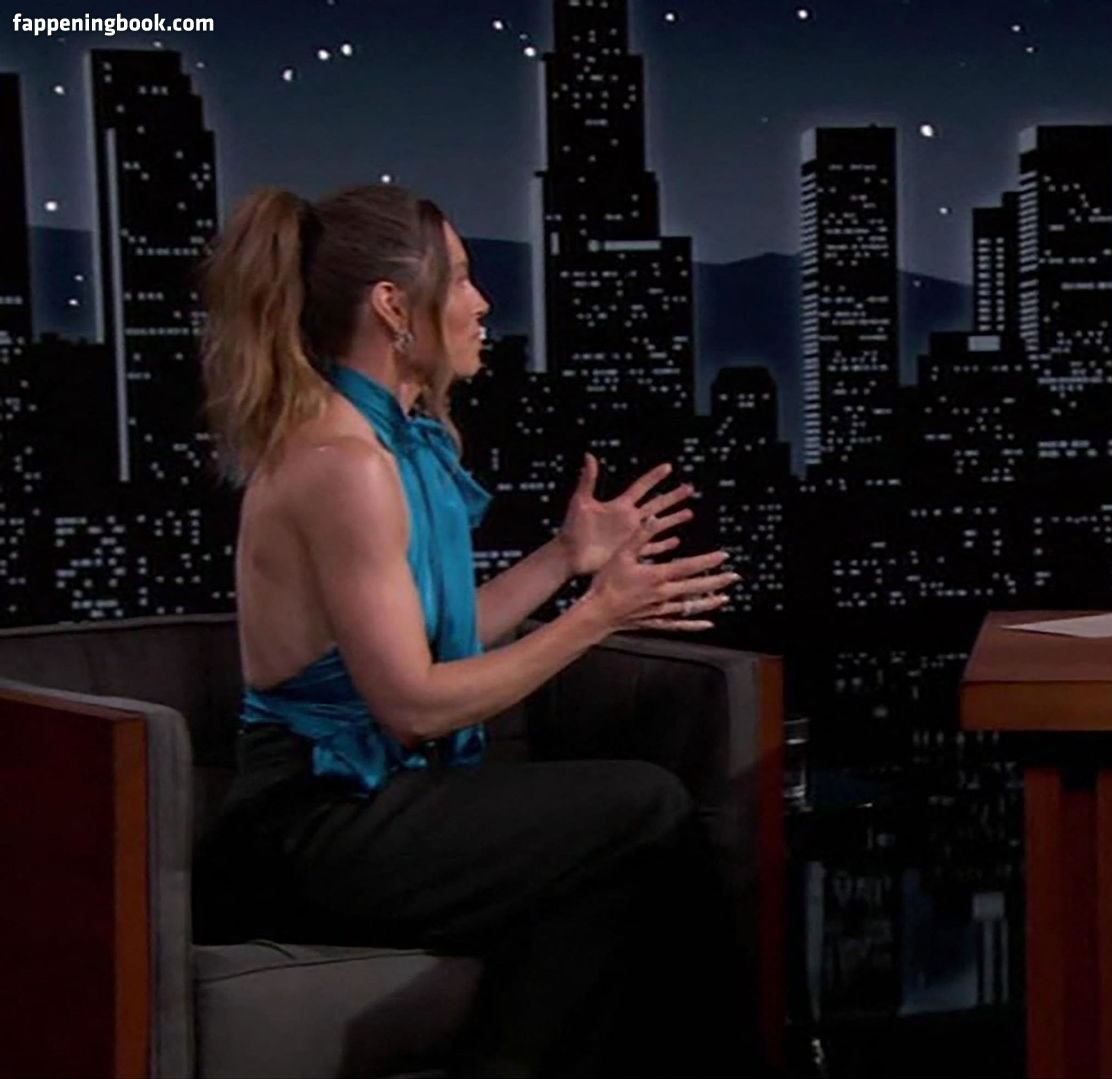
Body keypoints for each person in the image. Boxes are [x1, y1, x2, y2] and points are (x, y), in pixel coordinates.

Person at [192, 182, 749, 1076]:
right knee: (647, 806)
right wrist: (598, 615)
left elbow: (432, 641)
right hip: (311, 829)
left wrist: (566, 559)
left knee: (615, 882)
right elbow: (413, 704)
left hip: (379, 806)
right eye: (459, 278)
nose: (482, 302)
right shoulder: (344, 463)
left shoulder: (394, 446)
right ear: (393, 306)